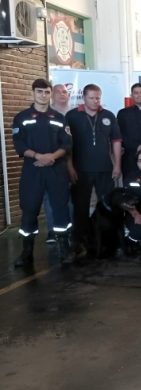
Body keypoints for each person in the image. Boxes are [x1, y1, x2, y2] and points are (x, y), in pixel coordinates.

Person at [12, 79, 73, 268]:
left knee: (60, 209)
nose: (43, 95)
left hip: (56, 169)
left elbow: (67, 143)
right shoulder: (21, 117)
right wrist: (39, 155)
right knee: (29, 210)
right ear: (33, 93)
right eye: (40, 92)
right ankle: (26, 252)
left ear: (50, 94)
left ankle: (64, 249)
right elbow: (19, 145)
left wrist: (51, 157)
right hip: (33, 170)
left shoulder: (59, 117)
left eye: (46, 92)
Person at [67, 84, 122, 255]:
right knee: (80, 208)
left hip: (105, 169)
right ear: (83, 97)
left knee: (108, 206)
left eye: (98, 97)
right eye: (91, 97)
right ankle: (79, 242)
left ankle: (112, 241)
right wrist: (70, 167)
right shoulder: (72, 116)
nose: (95, 101)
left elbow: (116, 141)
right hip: (80, 170)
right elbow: (66, 144)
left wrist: (117, 165)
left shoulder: (108, 115)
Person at [43, 83, 74, 243]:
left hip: (76, 163)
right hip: (53, 165)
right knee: (50, 199)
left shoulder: (75, 114)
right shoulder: (46, 115)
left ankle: (71, 229)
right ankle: (52, 231)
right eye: (58, 91)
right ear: (51, 95)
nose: (62, 94)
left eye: (65, 92)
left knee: (72, 198)